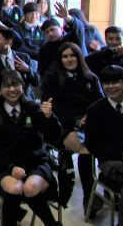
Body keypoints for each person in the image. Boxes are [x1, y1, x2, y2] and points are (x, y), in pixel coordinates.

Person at [0, 70, 61, 226]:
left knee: (30, 187)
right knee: (15, 188)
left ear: (23, 86)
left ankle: (51, 224)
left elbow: (53, 137)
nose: (12, 89)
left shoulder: (34, 108)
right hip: (4, 166)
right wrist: (11, 167)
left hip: (36, 162)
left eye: (16, 84)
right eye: (6, 86)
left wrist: (49, 118)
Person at [40, 42, 102, 209]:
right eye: (65, 56)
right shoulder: (51, 78)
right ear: (60, 59)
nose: (69, 59)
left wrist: (89, 117)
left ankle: (114, 188)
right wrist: (76, 121)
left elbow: (100, 104)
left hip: (91, 124)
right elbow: (53, 109)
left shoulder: (91, 78)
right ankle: (89, 197)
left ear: (79, 57)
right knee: (85, 150)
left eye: (72, 55)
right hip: (61, 126)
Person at [85, 65, 123, 226]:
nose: (111, 87)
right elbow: (92, 143)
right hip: (111, 161)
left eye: (116, 82)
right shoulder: (95, 110)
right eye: (106, 83)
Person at [85, 26, 123, 97]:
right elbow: (87, 60)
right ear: (106, 41)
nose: (115, 42)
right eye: (111, 39)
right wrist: (113, 51)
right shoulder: (99, 59)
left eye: (118, 39)